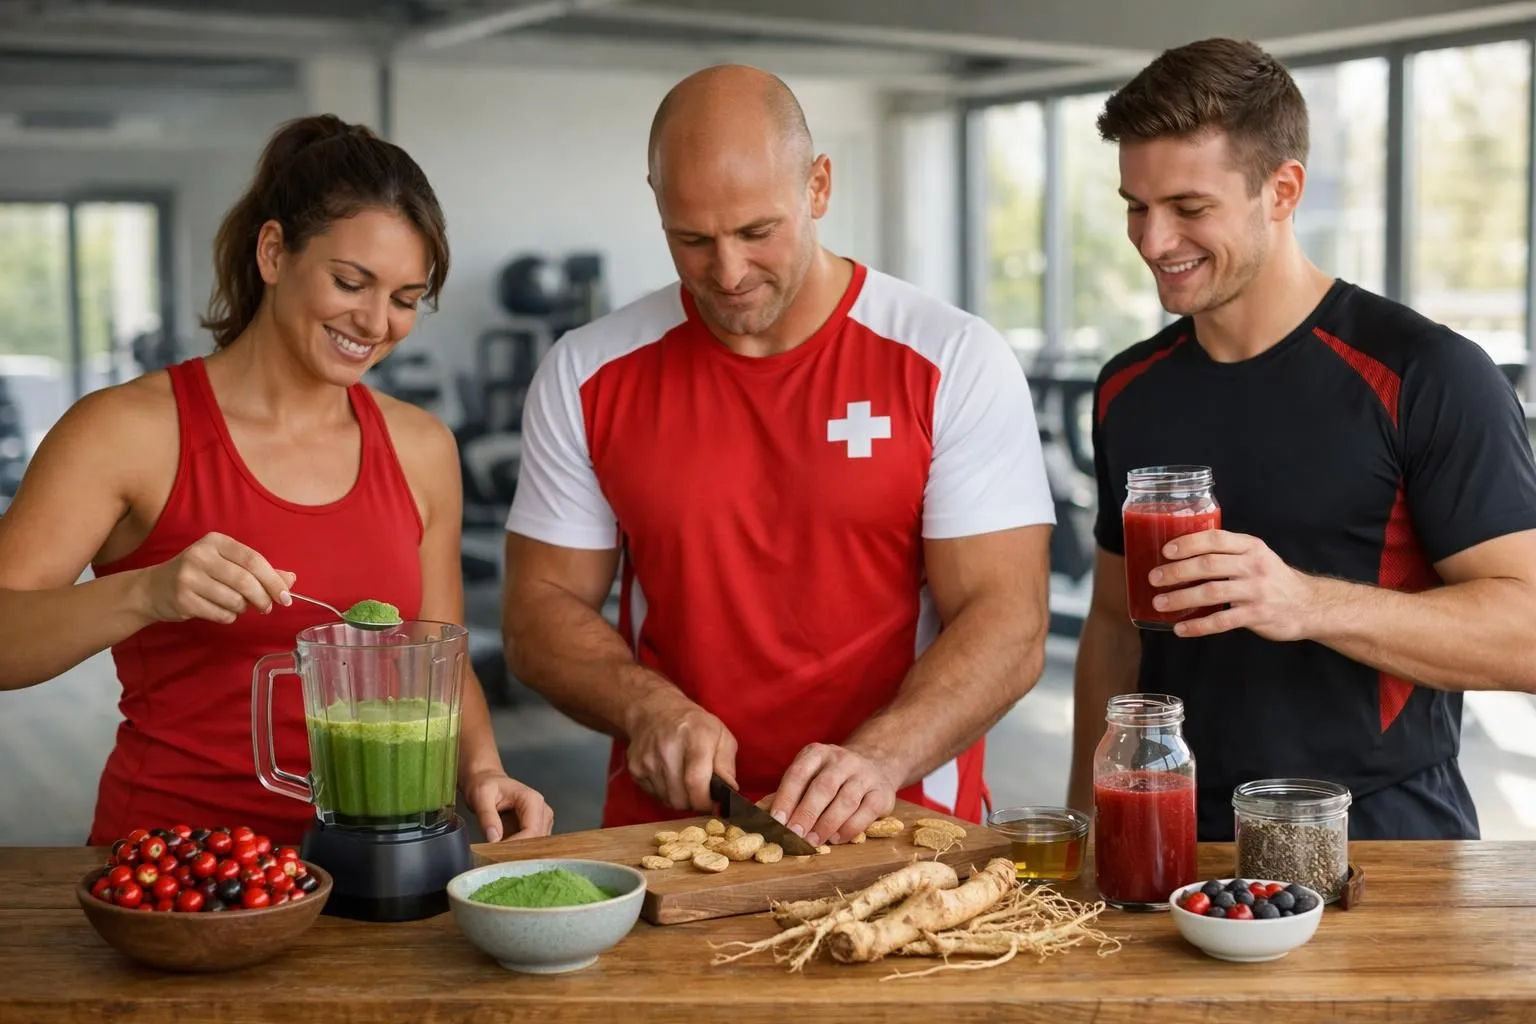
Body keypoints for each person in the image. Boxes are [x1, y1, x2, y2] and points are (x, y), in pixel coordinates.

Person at [501, 64, 1055, 846]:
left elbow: (1009, 620)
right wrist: (645, 706)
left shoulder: (951, 358)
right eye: (692, 240)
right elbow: (538, 610)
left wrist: (879, 758)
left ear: (819, 187)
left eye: (757, 233)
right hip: (673, 838)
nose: (726, 274)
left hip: (901, 827)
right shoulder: (586, 372)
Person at [0, 114, 552, 847]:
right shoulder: (124, 430)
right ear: (272, 252)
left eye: (406, 298)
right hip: (178, 870)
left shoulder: (421, 448)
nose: (376, 321)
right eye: (351, 282)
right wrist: (146, 592)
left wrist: (482, 770)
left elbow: (436, 661)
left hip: (370, 864)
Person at [1067, 37, 1536, 842]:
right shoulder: (1126, 387)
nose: (1151, 241)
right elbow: (1114, 627)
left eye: (1189, 207)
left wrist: (1304, 601)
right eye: (1135, 206)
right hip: (1179, 842)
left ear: (1282, 191)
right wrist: (1089, 823)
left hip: (1384, 846)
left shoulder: (1428, 375)